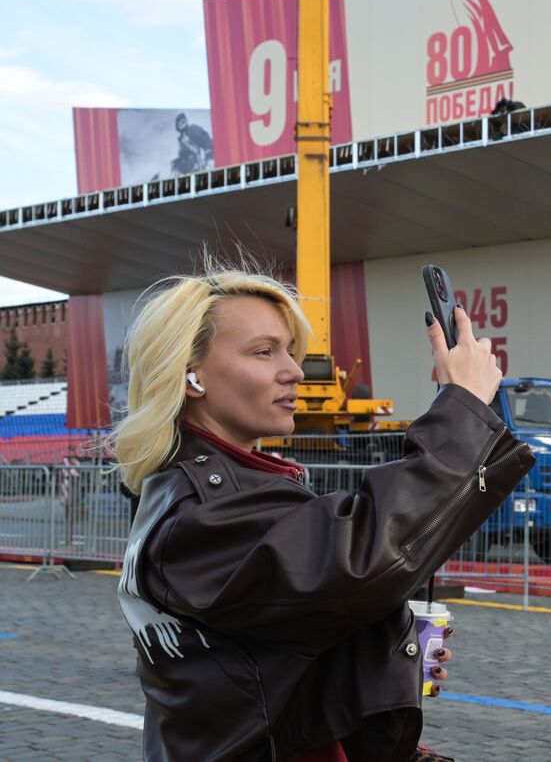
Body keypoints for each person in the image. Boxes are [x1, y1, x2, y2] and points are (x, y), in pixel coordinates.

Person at [112, 262, 529, 761]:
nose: (293, 370)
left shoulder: (214, 492)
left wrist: (384, 653)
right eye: (264, 351)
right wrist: (461, 406)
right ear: (191, 374)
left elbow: (271, 660)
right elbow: (365, 555)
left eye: (290, 350)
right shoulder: (203, 511)